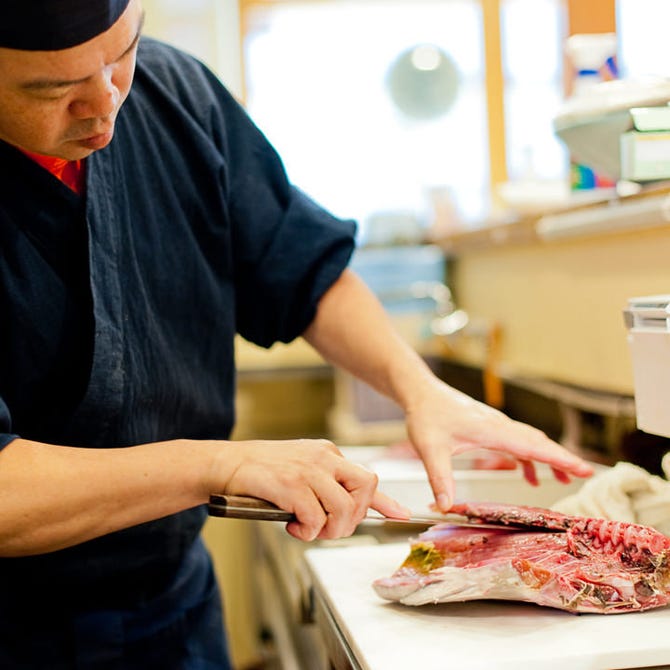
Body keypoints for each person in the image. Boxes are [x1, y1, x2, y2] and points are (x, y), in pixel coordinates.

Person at [0, 1, 594, 667]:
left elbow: (299, 268)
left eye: (120, 56)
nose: (105, 107)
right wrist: (217, 463)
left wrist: (417, 388)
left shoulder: (177, 93)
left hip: (172, 605)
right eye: (52, 89)